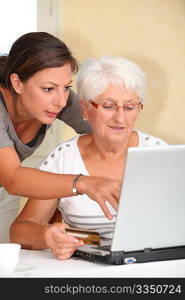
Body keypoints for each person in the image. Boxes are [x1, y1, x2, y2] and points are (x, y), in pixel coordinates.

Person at [10, 56, 168, 260]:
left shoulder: (159, 154)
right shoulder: (64, 157)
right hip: (85, 272)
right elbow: (19, 231)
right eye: (109, 106)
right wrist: (47, 236)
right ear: (85, 109)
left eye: (129, 107)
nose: (120, 118)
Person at [0, 33, 121, 243]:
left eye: (66, 88)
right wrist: (83, 183)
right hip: (10, 180)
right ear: (17, 83)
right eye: (48, 89)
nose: (60, 101)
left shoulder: (58, 99)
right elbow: (12, 178)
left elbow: (106, 132)